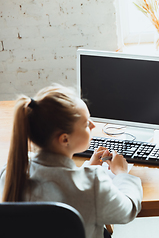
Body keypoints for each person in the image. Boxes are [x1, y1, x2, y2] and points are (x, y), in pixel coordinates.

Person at [0, 84, 143, 238]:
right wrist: (122, 174)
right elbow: (127, 210)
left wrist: (87, 168)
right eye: (86, 123)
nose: (93, 125)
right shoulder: (93, 184)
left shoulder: (11, 171)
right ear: (65, 138)